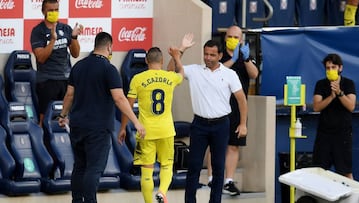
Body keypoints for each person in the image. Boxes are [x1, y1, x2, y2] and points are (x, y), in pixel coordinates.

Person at [57, 32, 145, 203]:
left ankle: (77, 200)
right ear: (109, 47)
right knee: (94, 169)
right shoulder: (109, 69)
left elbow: (69, 95)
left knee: (80, 167)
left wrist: (62, 115)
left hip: (77, 126)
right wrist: (136, 122)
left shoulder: (79, 66)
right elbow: (119, 98)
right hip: (97, 129)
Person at [167, 34, 248, 203]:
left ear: (220, 55)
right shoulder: (195, 70)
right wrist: (180, 51)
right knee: (194, 166)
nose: (208, 58)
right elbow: (170, 70)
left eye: (212, 55)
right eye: (206, 54)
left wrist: (243, 124)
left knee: (218, 167)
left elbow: (241, 100)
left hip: (221, 124)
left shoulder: (229, 74)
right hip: (199, 124)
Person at [119, 47, 184, 203]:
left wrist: (123, 128)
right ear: (162, 61)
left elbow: (128, 107)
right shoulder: (170, 77)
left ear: (146, 61)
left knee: (146, 172)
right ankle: (162, 192)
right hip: (166, 131)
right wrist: (176, 57)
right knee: (167, 165)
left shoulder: (137, 79)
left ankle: (149, 202)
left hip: (145, 131)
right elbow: (181, 72)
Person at [206, 25, 259, 196]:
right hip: (218, 105)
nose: (233, 40)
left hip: (238, 107)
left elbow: (254, 74)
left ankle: (228, 181)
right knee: (215, 144)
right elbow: (215, 70)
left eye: (236, 37)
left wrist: (244, 59)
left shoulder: (246, 55)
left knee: (234, 145)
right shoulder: (218, 54)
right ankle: (212, 178)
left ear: (241, 40)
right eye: (230, 36)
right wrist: (233, 59)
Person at [31, 0, 83, 126]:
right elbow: (41, 58)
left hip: (66, 79)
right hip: (47, 81)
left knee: (66, 117)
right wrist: (53, 40)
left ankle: (65, 143)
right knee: (45, 118)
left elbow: (75, 54)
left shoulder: (65, 29)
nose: (54, 13)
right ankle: (44, 144)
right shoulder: (38, 31)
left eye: (56, 10)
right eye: (50, 10)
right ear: (43, 11)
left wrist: (74, 37)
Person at [312, 53, 356, 179]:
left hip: (343, 134)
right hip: (324, 134)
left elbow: (351, 106)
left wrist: (339, 93)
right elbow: (316, 106)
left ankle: (353, 198)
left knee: (346, 171)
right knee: (318, 170)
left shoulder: (348, 84)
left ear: (340, 68)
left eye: (333, 67)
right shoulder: (321, 84)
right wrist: (331, 96)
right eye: (328, 68)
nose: (330, 70)